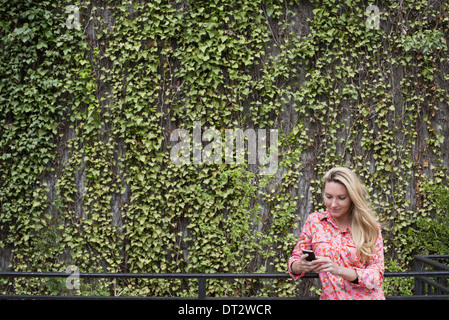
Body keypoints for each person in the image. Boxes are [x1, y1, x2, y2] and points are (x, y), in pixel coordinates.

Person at [288, 167, 385, 300]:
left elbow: (377, 275)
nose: (333, 204)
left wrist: (339, 270)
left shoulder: (369, 227)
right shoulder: (315, 221)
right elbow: (294, 260)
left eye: (341, 198)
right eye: (328, 197)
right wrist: (300, 265)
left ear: (352, 197)